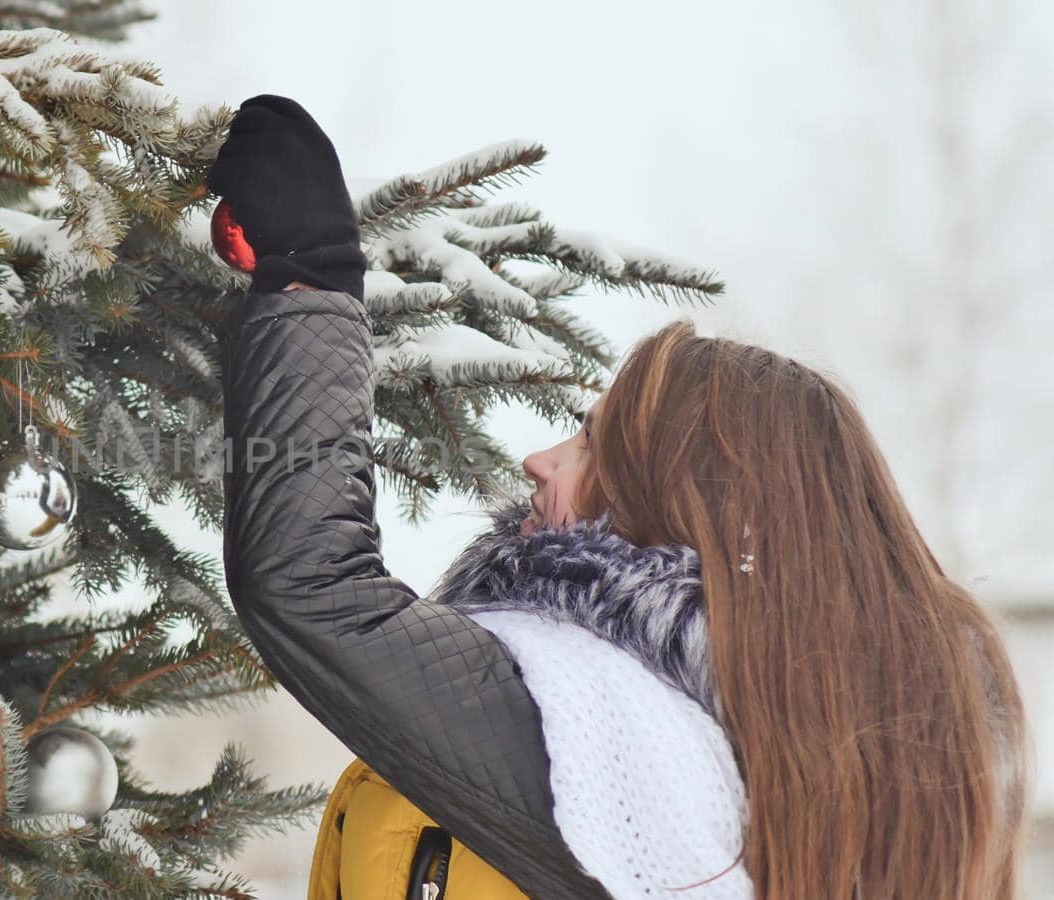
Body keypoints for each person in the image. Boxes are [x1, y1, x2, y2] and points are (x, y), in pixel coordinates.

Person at [210, 94, 1031, 899]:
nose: (536, 460)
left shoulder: (608, 743)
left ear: (684, 504)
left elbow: (317, 588)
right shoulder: (724, 772)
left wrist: (310, 278)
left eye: (592, 445)